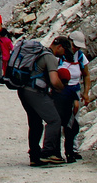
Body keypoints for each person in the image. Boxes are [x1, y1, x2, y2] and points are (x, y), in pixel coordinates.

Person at [11, 37, 67, 166]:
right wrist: (61, 89)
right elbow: (54, 81)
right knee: (54, 120)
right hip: (35, 92)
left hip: (23, 90)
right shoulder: (50, 57)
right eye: (64, 50)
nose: (64, 53)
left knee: (35, 123)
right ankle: (47, 153)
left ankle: (34, 156)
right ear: (59, 47)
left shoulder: (40, 53)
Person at [54, 35, 90, 162]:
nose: (76, 49)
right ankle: (56, 151)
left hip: (74, 91)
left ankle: (72, 150)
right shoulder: (59, 55)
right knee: (59, 121)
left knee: (73, 121)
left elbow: (86, 75)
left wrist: (85, 93)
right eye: (75, 46)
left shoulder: (80, 56)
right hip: (60, 91)